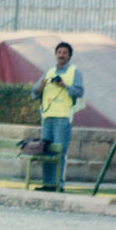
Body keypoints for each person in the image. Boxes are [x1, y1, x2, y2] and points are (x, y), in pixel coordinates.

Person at [31, 42, 84, 192]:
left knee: (59, 152)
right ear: (55, 54)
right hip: (47, 116)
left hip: (63, 117)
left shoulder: (74, 72)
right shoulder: (49, 72)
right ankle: (47, 184)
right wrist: (40, 87)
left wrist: (64, 86)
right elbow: (34, 93)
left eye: (64, 53)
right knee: (46, 151)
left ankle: (58, 185)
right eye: (59, 52)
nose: (61, 55)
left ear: (69, 55)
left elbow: (79, 92)